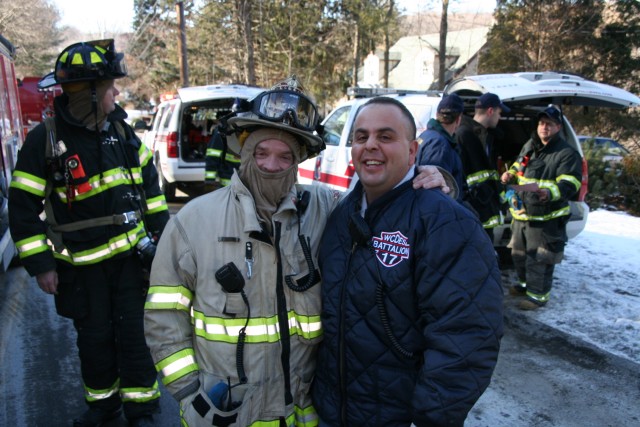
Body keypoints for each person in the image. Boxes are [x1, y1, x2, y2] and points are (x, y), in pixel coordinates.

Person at [143, 78, 451, 427]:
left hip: (302, 414)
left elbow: (381, 200)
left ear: (298, 160)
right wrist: (188, 390)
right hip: (226, 415)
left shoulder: (324, 206)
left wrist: (429, 177)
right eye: (261, 153)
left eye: (285, 156)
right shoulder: (193, 221)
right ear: (244, 152)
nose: (272, 165)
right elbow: (164, 313)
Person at [312, 96, 504, 427]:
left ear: (413, 151)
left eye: (385, 137)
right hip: (331, 412)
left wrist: (430, 418)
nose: (370, 145)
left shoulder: (445, 223)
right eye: (361, 137)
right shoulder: (339, 215)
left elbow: (466, 336)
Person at [8, 39, 170, 426]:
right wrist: (41, 264)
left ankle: (141, 409)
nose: (117, 93)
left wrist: (164, 248)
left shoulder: (124, 134)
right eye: (111, 87)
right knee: (94, 342)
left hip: (133, 265)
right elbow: (22, 208)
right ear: (92, 93)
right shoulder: (44, 142)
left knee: (135, 339)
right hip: (81, 271)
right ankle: (103, 407)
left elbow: (153, 195)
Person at [500, 105, 582, 310]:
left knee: (540, 258)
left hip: (547, 218)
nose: (544, 127)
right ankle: (525, 285)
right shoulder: (530, 145)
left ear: (557, 127)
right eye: (541, 123)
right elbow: (519, 166)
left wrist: (550, 193)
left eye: (549, 124)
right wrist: (509, 174)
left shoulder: (566, 153)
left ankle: (538, 297)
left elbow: (571, 184)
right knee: (518, 255)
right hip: (523, 214)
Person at [456, 92, 511, 241]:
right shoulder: (464, 134)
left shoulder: (485, 136)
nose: (500, 118)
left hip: (484, 211)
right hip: (472, 212)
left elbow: (488, 176)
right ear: (490, 111)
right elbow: (462, 176)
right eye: (499, 113)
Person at [416, 93, 466, 201]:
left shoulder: (426, 135)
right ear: (458, 120)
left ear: (437, 114)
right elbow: (437, 190)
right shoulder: (440, 144)